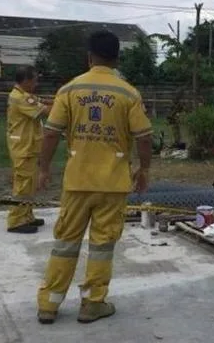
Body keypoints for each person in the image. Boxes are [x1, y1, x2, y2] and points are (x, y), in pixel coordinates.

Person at [36, 30, 153, 325]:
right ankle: (92, 303)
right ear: (116, 59)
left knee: (65, 242)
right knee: (102, 246)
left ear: (89, 57)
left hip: (77, 182)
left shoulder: (69, 90)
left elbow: (50, 133)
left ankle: (49, 305)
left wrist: (43, 168)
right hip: (113, 185)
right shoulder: (127, 92)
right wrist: (145, 169)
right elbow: (144, 136)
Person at [5, 66, 52, 234]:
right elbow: (46, 111)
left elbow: (42, 103)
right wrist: (63, 102)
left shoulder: (23, 96)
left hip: (28, 146)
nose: (36, 83)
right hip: (23, 147)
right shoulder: (21, 98)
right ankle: (16, 221)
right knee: (23, 185)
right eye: (34, 80)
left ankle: (27, 215)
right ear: (26, 81)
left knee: (30, 184)